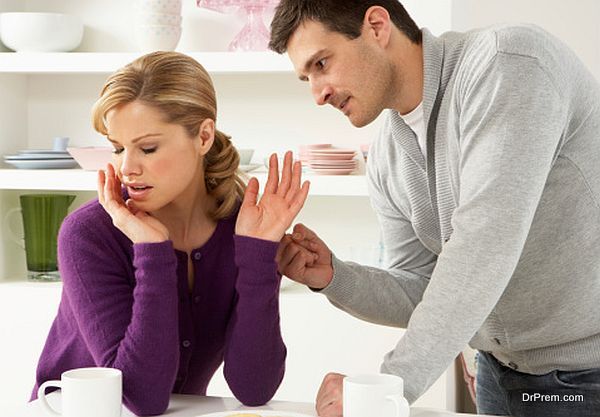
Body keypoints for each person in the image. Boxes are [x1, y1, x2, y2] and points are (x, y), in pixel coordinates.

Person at [269, 1, 600, 416]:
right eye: (306, 78)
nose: (318, 94)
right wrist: (335, 276)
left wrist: (386, 388)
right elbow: (423, 286)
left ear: (376, 26)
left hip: (586, 377)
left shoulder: (508, 64)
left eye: (321, 63)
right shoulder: (388, 155)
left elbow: (482, 248)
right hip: (497, 374)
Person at [31, 51, 310, 415]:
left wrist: (259, 255)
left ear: (204, 136)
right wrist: (152, 251)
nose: (127, 168)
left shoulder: (243, 225)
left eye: (147, 148)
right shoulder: (89, 234)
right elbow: (140, 397)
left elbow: (254, 388)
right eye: (117, 148)